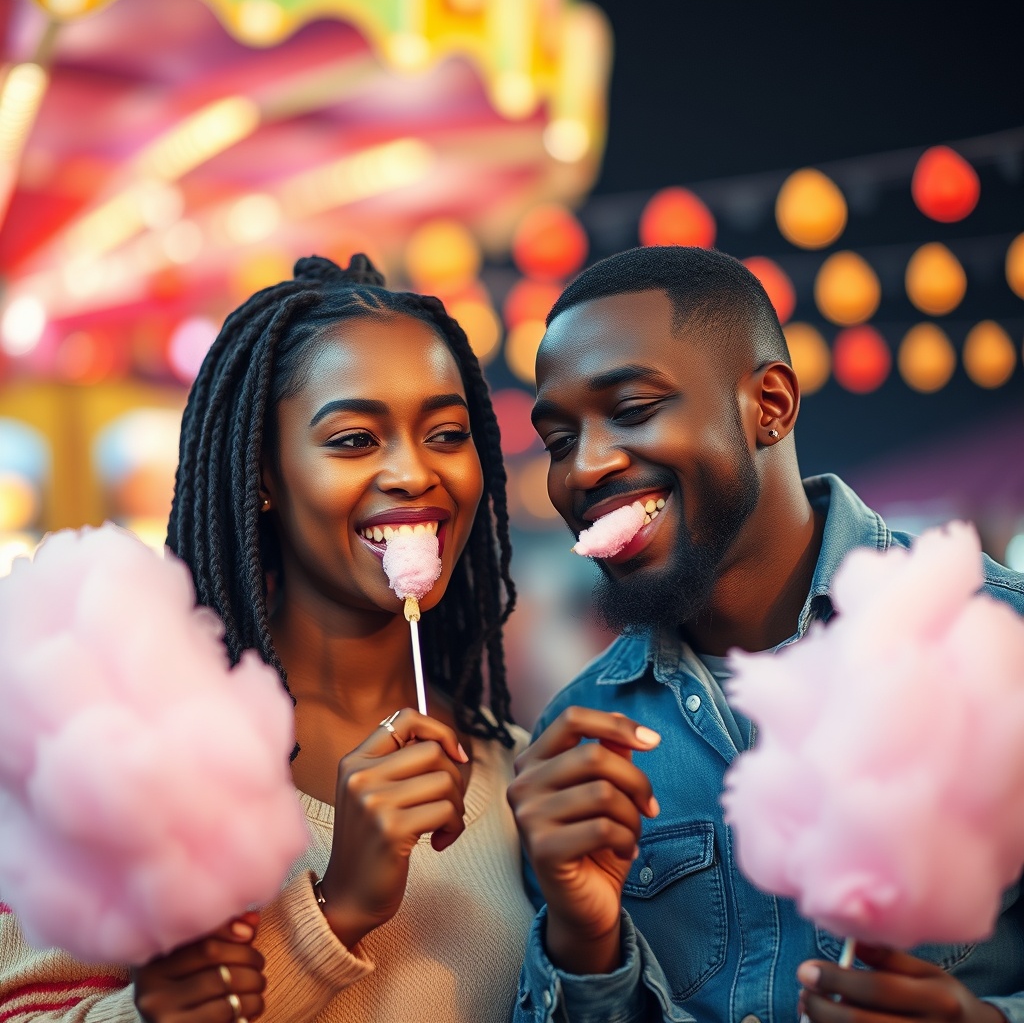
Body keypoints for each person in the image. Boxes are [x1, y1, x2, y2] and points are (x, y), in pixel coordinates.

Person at [0, 254, 536, 1022]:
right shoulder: (123, 753)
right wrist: (332, 912)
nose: (414, 472)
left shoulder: (517, 769)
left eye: (447, 434)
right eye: (354, 440)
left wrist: (591, 942)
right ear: (262, 474)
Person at [507, 245, 1024, 1023]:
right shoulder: (579, 741)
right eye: (558, 441)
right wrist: (584, 944)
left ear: (770, 405)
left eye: (633, 409)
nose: (584, 468)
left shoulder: (998, 639)